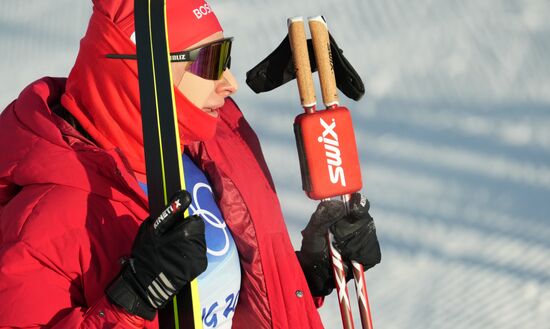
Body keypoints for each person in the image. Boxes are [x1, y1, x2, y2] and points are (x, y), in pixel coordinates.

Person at [0, 0, 381, 328]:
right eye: (210, 62)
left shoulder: (208, 145)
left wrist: (312, 270)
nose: (229, 82)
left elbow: (234, 306)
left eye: (224, 55)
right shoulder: (45, 218)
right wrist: (131, 300)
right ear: (138, 73)